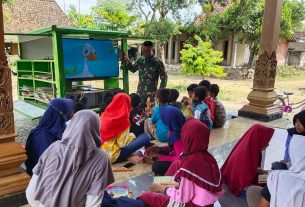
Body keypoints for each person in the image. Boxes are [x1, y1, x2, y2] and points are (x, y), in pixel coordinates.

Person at [26, 110, 114, 207]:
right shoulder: (101, 158)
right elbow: (93, 204)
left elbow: (31, 193)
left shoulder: (53, 147)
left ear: (72, 125)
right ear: (96, 128)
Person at [139, 119, 223, 207]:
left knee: (145, 197)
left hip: (192, 204)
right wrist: (175, 185)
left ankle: (154, 192)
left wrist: (164, 189)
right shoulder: (209, 158)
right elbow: (196, 185)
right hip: (206, 202)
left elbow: (183, 198)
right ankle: (163, 185)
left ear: (187, 137)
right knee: (174, 166)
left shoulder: (190, 163)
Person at [247, 133, 305, 207]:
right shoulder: (249, 155)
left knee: (253, 190)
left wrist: (269, 176)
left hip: (271, 181)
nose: (268, 145)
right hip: (254, 181)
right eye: (266, 141)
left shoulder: (278, 178)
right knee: (275, 168)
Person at [221, 124, 275, 197]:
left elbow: (250, 171)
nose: (268, 144)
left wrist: (258, 170)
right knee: (271, 188)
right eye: (266, 141)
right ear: (258, 140)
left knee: (272, 180)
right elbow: (244, 182)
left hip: (245, 182)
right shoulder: (244, 155)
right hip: (241, 189)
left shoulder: (249, 148)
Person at [25, 98, 74, 176]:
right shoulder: (42, 137)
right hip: (41, 179)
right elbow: (49, 167)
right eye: (67, 117)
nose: (68, 119)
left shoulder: (55, 130)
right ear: (60, 116)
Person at [100, 93, 151, 163]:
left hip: (101, 154)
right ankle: (132, 157)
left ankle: (132, 157)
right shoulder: (125, 118)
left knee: (140, 145)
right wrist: (132, 136)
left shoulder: (104, 115)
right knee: (146, 137)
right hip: (113, 156)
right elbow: (122, 144)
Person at [146, 104, 186, 175]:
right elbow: (173, 148)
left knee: (156, 166)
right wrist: (158, 149)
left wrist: (161, 157)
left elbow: (180, 160)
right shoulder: (176, 129)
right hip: (176, 154)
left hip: (183, 164)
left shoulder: (176, 135)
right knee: (158, 153)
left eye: (163, 117)